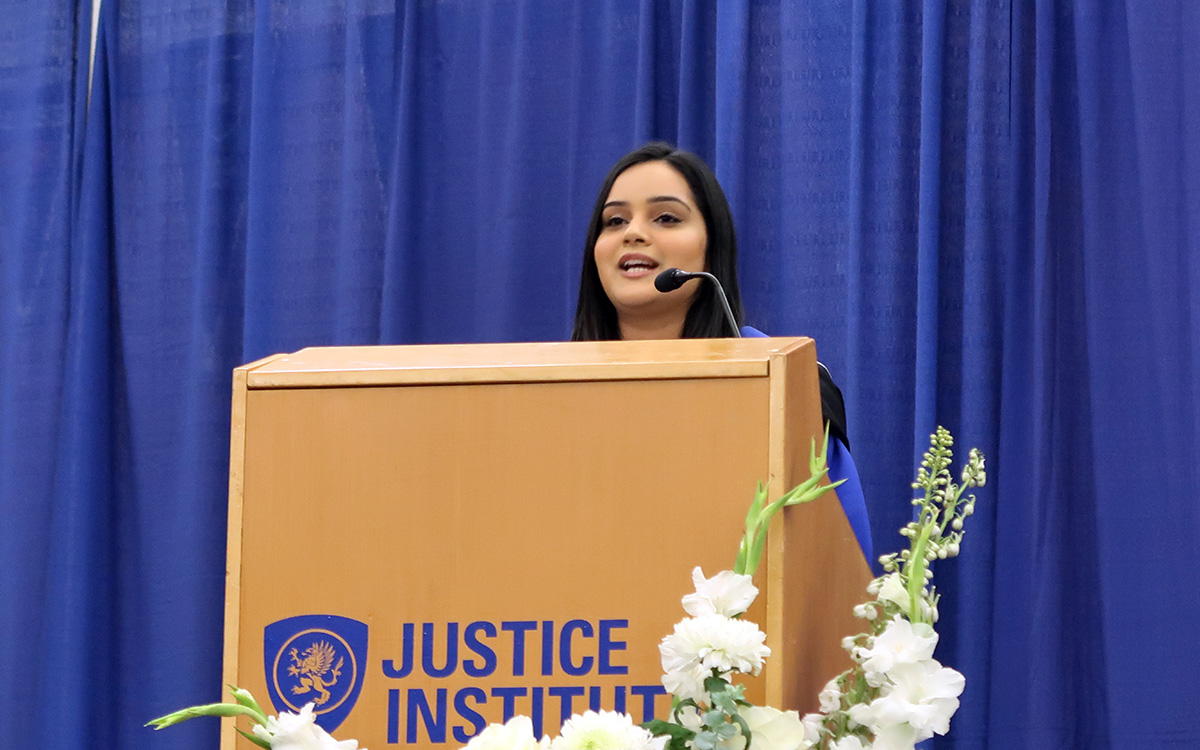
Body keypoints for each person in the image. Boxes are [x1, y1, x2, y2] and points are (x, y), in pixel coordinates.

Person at [572, 142, 873, 563]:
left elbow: (841, 558)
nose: (633, 233)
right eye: (615, 220)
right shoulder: (551, 386)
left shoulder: (783, 378)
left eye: (666, 218)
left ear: (711, 249)